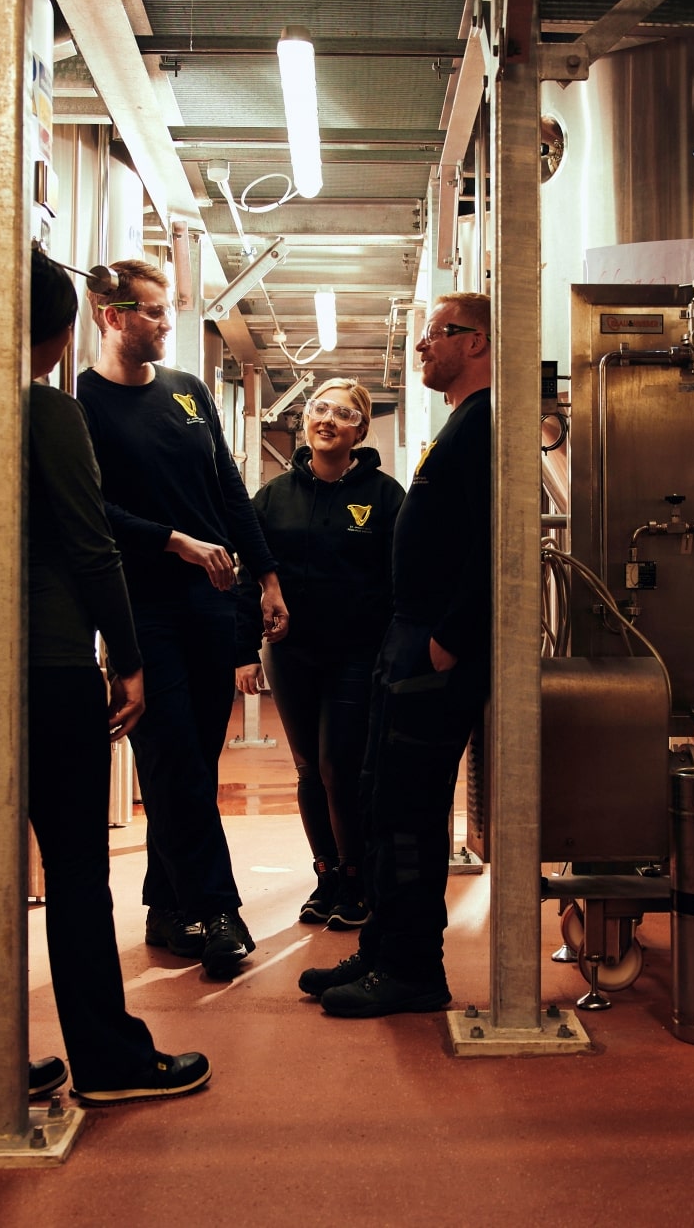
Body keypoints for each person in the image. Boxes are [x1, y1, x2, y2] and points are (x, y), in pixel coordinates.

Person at [0, 248, 211, 1105]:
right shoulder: (46, 411)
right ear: (53, 329)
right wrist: (131, 657)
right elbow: (90, 544)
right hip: (50, 663)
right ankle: (109, 1062)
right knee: (75, 865)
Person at [77, 260, 288, 981]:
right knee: (170, 760)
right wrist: (171, 539)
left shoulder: (189, 394)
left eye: (168, 312)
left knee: (192, 760)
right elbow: (90, 509)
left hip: (214, 602)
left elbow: (228, 488)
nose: (168, 325)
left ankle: (166, 907)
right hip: (143, 605)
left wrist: (265, 577)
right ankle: (219, 909)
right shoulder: (81, 404)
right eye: (155, 313)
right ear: (112, 317)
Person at [297, 293, 492, 1017]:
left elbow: (493, 543)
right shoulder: (459, 425)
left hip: (435, 646)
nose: (421, 348)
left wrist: (451, 636)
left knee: (409, 810)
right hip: (406, 638)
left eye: (434, 336)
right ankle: (382, 944)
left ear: (474, 342)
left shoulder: (486, 425)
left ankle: (413, 969)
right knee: (379, 798)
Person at [237, 378, 405, 930]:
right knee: (308, 766)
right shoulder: (273, 496)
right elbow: (250, 576)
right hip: (290, 653)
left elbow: (402, 579)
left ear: (360, 430)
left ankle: (357, 879)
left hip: (358, 652)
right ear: (304, 421)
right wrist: (244, 650)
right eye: (318, 408)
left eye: (343, 412)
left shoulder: (384, 496)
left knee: (341, 765)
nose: (327, 419)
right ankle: (327, 875)